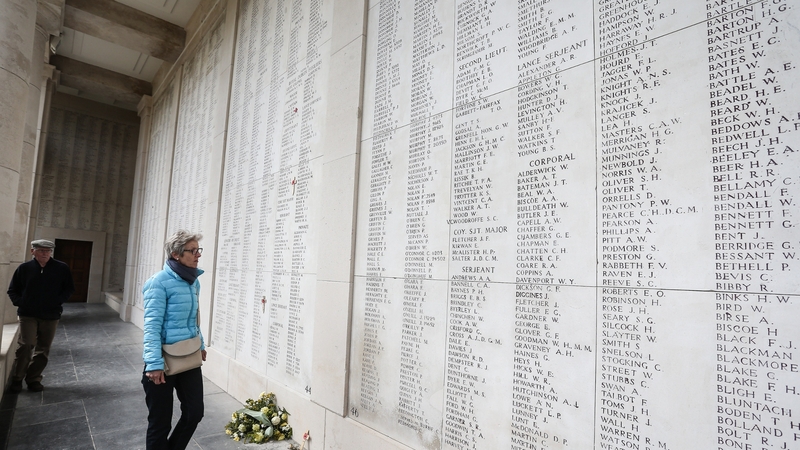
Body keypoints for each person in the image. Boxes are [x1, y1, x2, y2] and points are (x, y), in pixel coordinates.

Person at [142, 230, 207, 450]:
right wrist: (153, 364)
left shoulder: (192, 281)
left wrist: (202, 345)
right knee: (160, 423)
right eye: (192, 250)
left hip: (188, 357)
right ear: (176, 254)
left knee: (194, 413)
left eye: (198, 250)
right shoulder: (158, 283)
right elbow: (151, 327)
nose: (198, 254)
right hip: (162, 361)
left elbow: (194, 319)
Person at [6, 239, 75, 393]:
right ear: (33, 251)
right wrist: (22, 303)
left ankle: (33, 379)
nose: (45, 254)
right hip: (28, 314)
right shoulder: (24, 268)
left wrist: (57, 301)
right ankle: (17, 378)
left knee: (43, 349)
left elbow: (69, 288)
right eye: (41, 251)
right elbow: (12, 290)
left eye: (48, 251)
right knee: (26, 344)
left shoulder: (61, 268)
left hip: (51, 315)